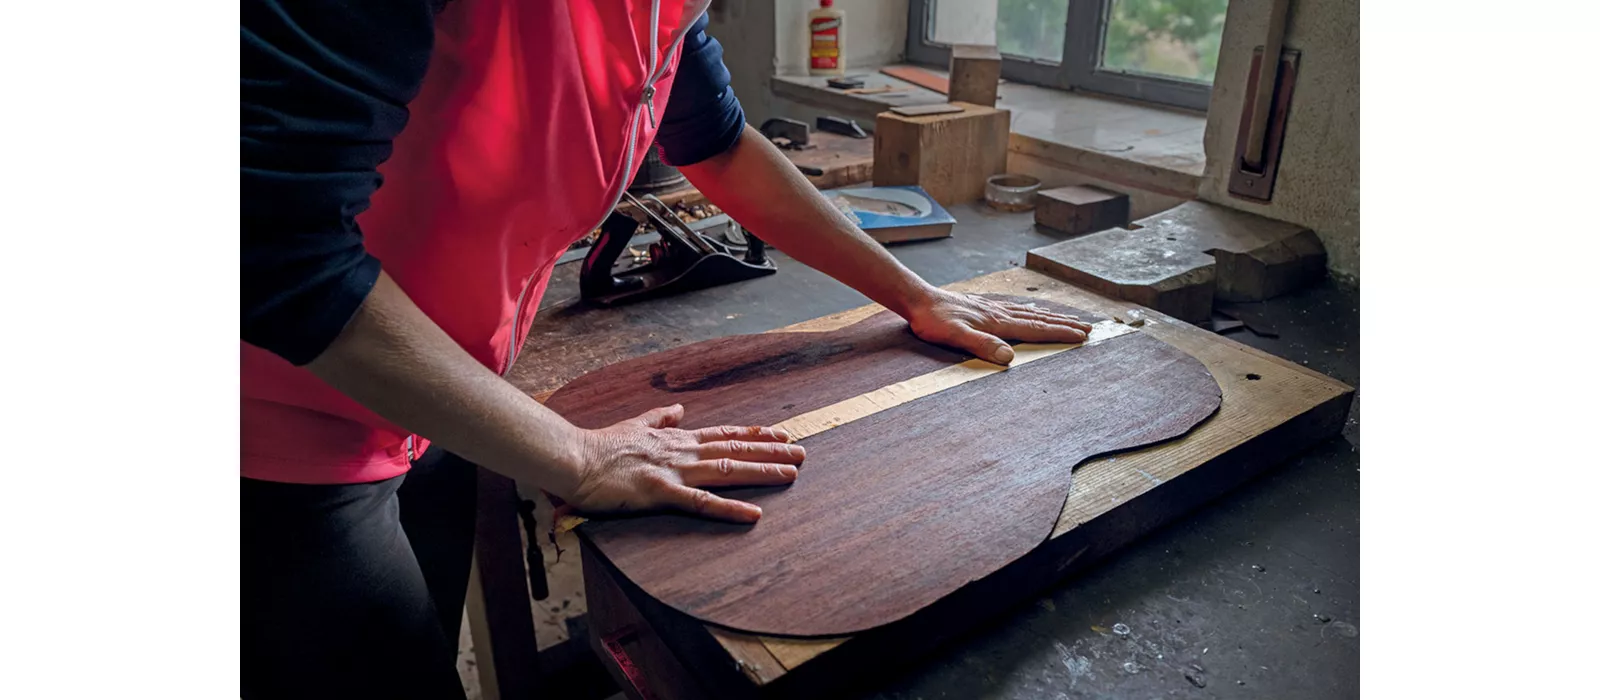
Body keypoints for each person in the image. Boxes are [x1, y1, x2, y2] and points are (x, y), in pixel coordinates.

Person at [241, 0, 1093, 697]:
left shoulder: (662, 9)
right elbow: (267, 242)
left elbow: (718, 141)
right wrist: (576, 455)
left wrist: (914, 295)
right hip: (268, 430)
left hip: (428, 396)